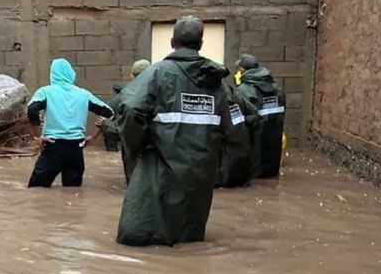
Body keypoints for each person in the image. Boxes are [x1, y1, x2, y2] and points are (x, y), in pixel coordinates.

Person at [116, 16, 232, 246]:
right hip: (200, 172)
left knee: (138, 235)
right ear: (200, 44)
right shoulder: (216, 83)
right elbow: (230, 129)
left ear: (172, 42)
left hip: (161, 166)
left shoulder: (158, 73)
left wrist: (135, 145)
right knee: (188, 239)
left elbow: (130, 108)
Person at [26, 58, 113, 188]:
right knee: (72, 192)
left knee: (36, 190)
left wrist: (37, 137)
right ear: (71, 74)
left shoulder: (45, 92)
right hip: (76, 149)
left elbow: (32, 109)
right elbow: (109, 113)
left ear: (52, 74)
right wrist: (93, 136)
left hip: (52, 147)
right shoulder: (84, 94)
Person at [96, 59, 151, 184]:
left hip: (133, 146)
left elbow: (113, 120)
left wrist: (104, 124)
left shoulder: (126, 94)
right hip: (158, 149)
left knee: (136, 186)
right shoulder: (165, 92)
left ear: (132, 75)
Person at [234, 54, 286, 178]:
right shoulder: (277, 88)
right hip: (274, 149)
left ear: (242, 71)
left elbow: (241, 121)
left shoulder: (243, 90)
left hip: (254, 151)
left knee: (255, 180)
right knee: (271, 179)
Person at [216, 82, 257, 188]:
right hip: (243, 156)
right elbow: (254, 114)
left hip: (227, 158)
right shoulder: (235, 94)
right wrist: (243, 125)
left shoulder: (215, 96)